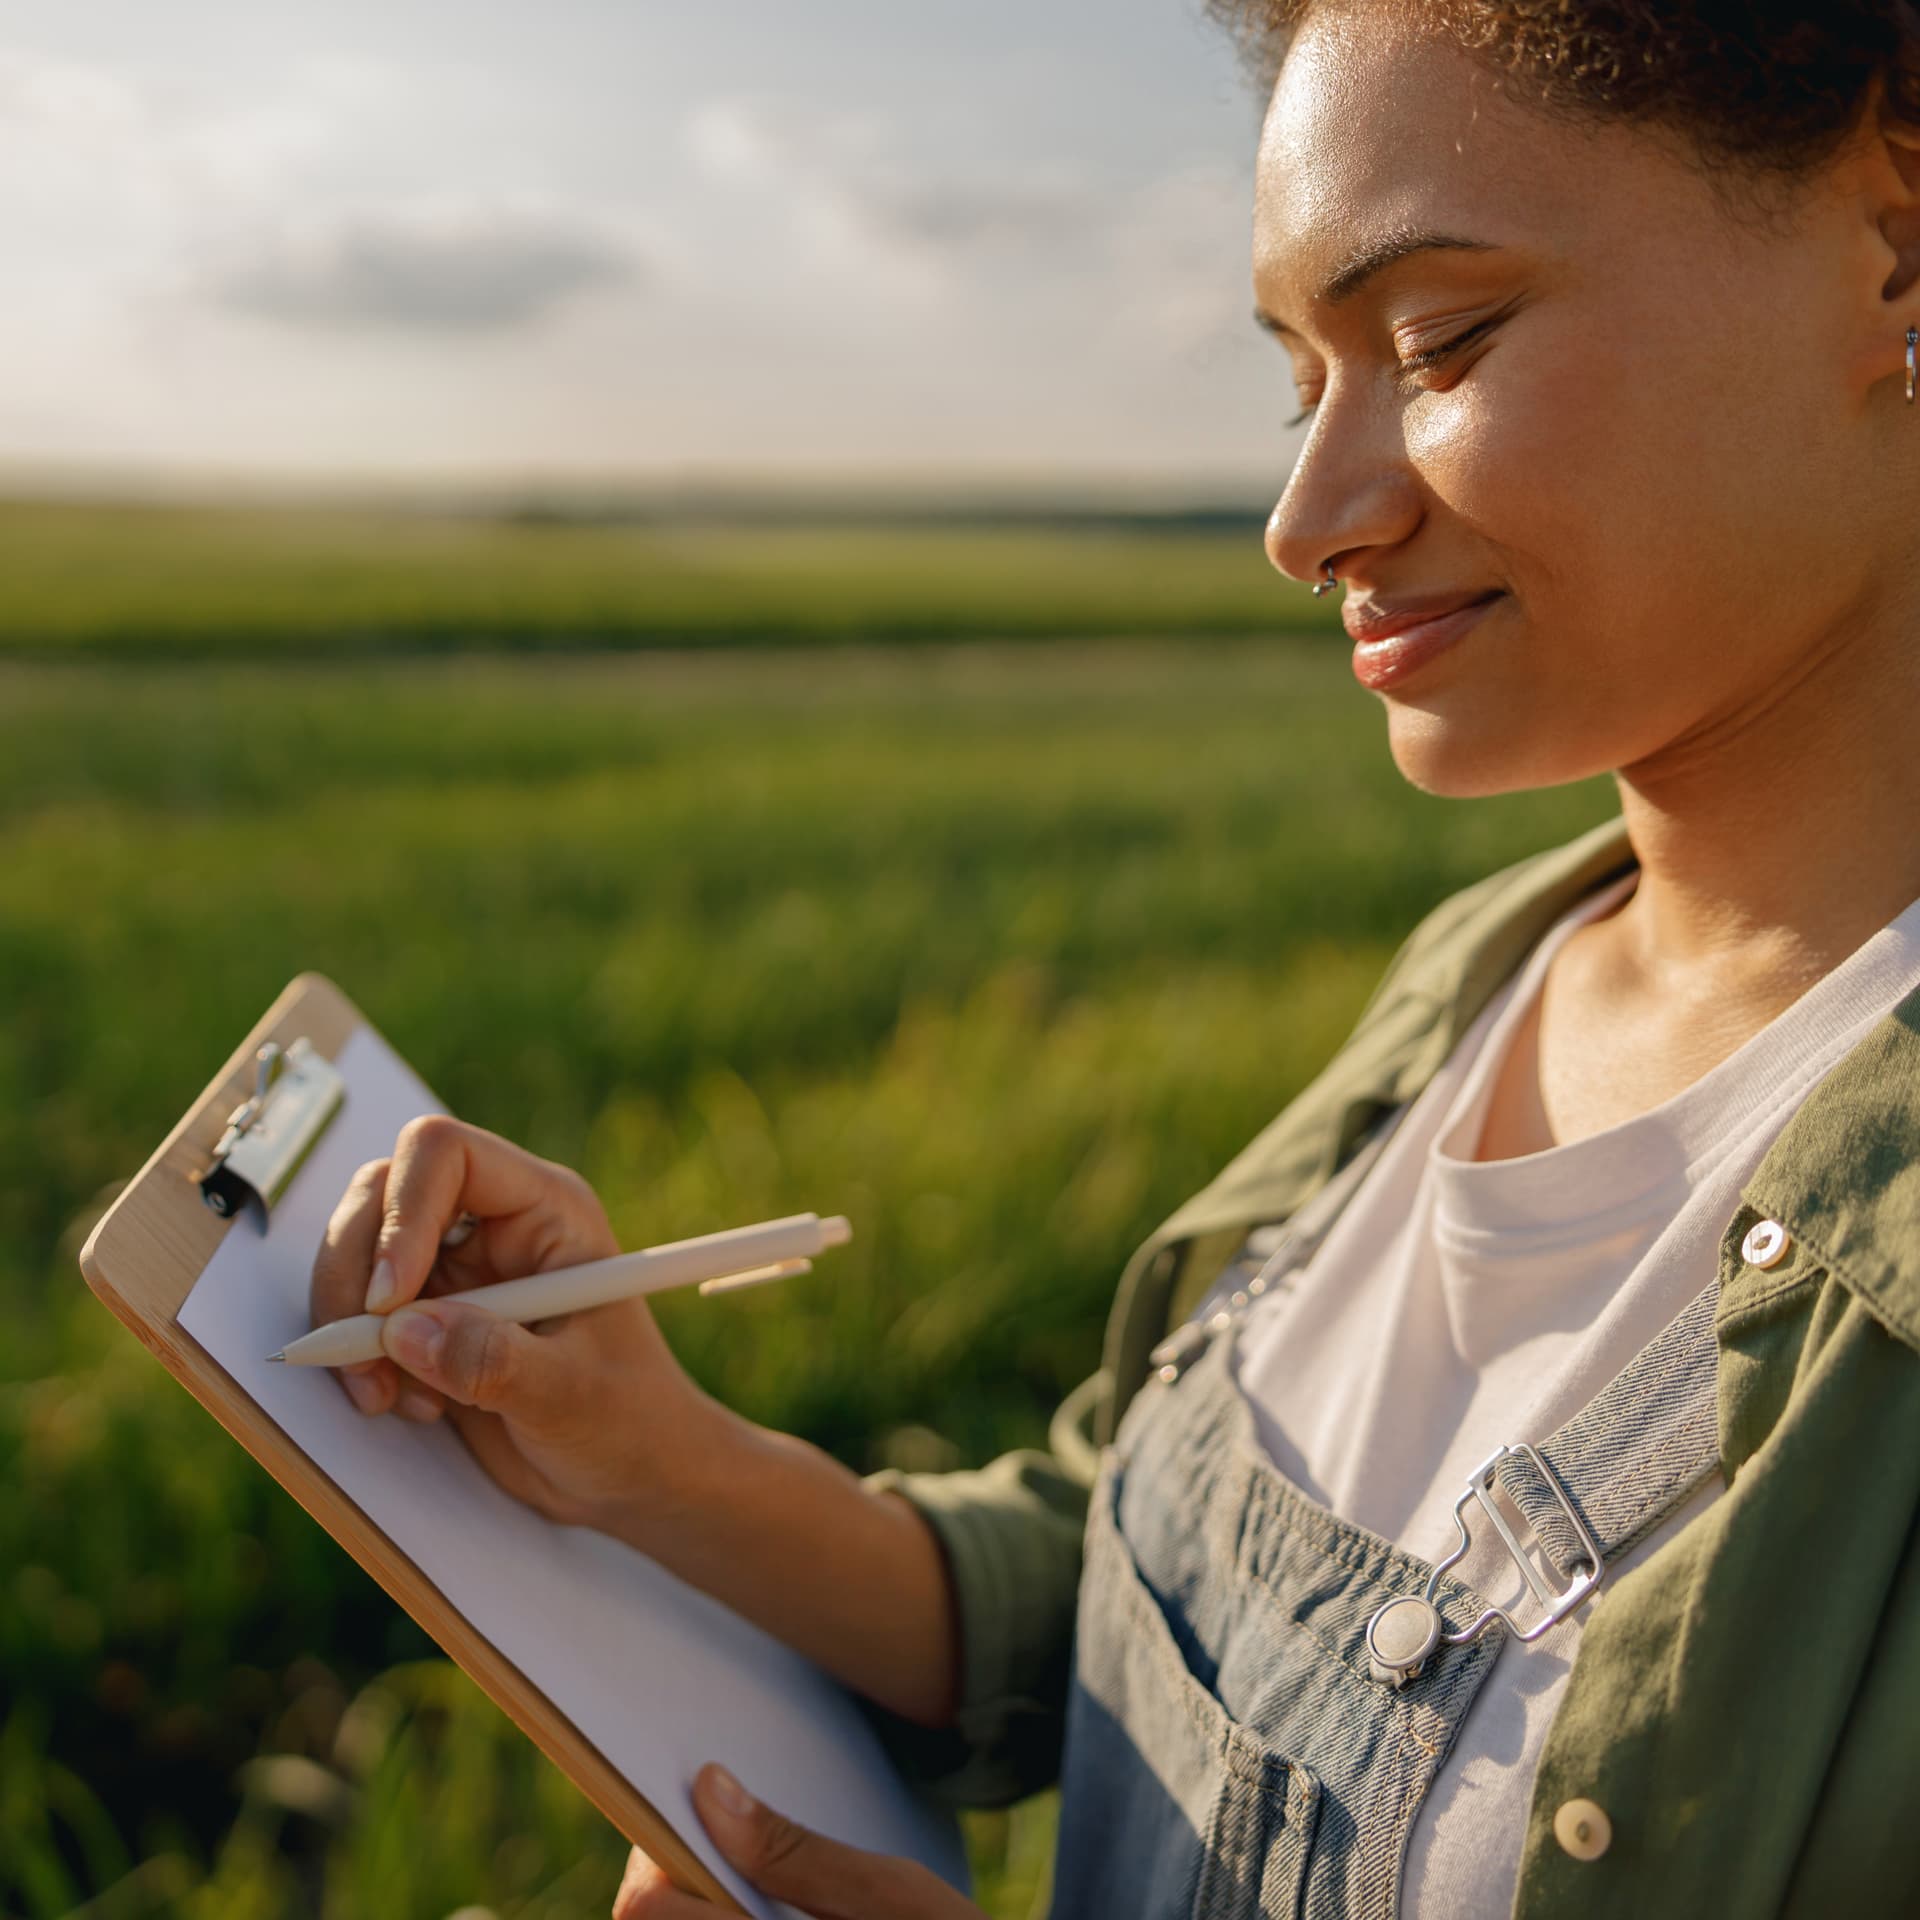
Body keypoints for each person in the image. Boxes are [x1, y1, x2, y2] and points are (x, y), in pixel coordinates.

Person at [309, 5, 1920, 1916]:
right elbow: (1147, 1593)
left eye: (1435, 344)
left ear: (1892, 241)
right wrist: (661, 1461)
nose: (1308, 518)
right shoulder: (1488, 978)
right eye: (1296, 384)